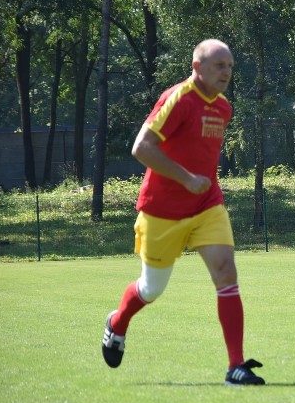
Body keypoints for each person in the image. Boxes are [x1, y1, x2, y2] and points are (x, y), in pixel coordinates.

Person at [101, 39, 265, 385]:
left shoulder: (224, 108)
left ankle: (235, 366)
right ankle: (117, 324)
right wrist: (186, 178)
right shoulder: (178, 99)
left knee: (226, 273)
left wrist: (198, 184)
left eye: (230, 66)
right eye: (219, 65)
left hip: (206, 205)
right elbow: (141, 148)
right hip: (161, 211)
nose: (226, 72)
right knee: (151, 289)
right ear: (196, 67)